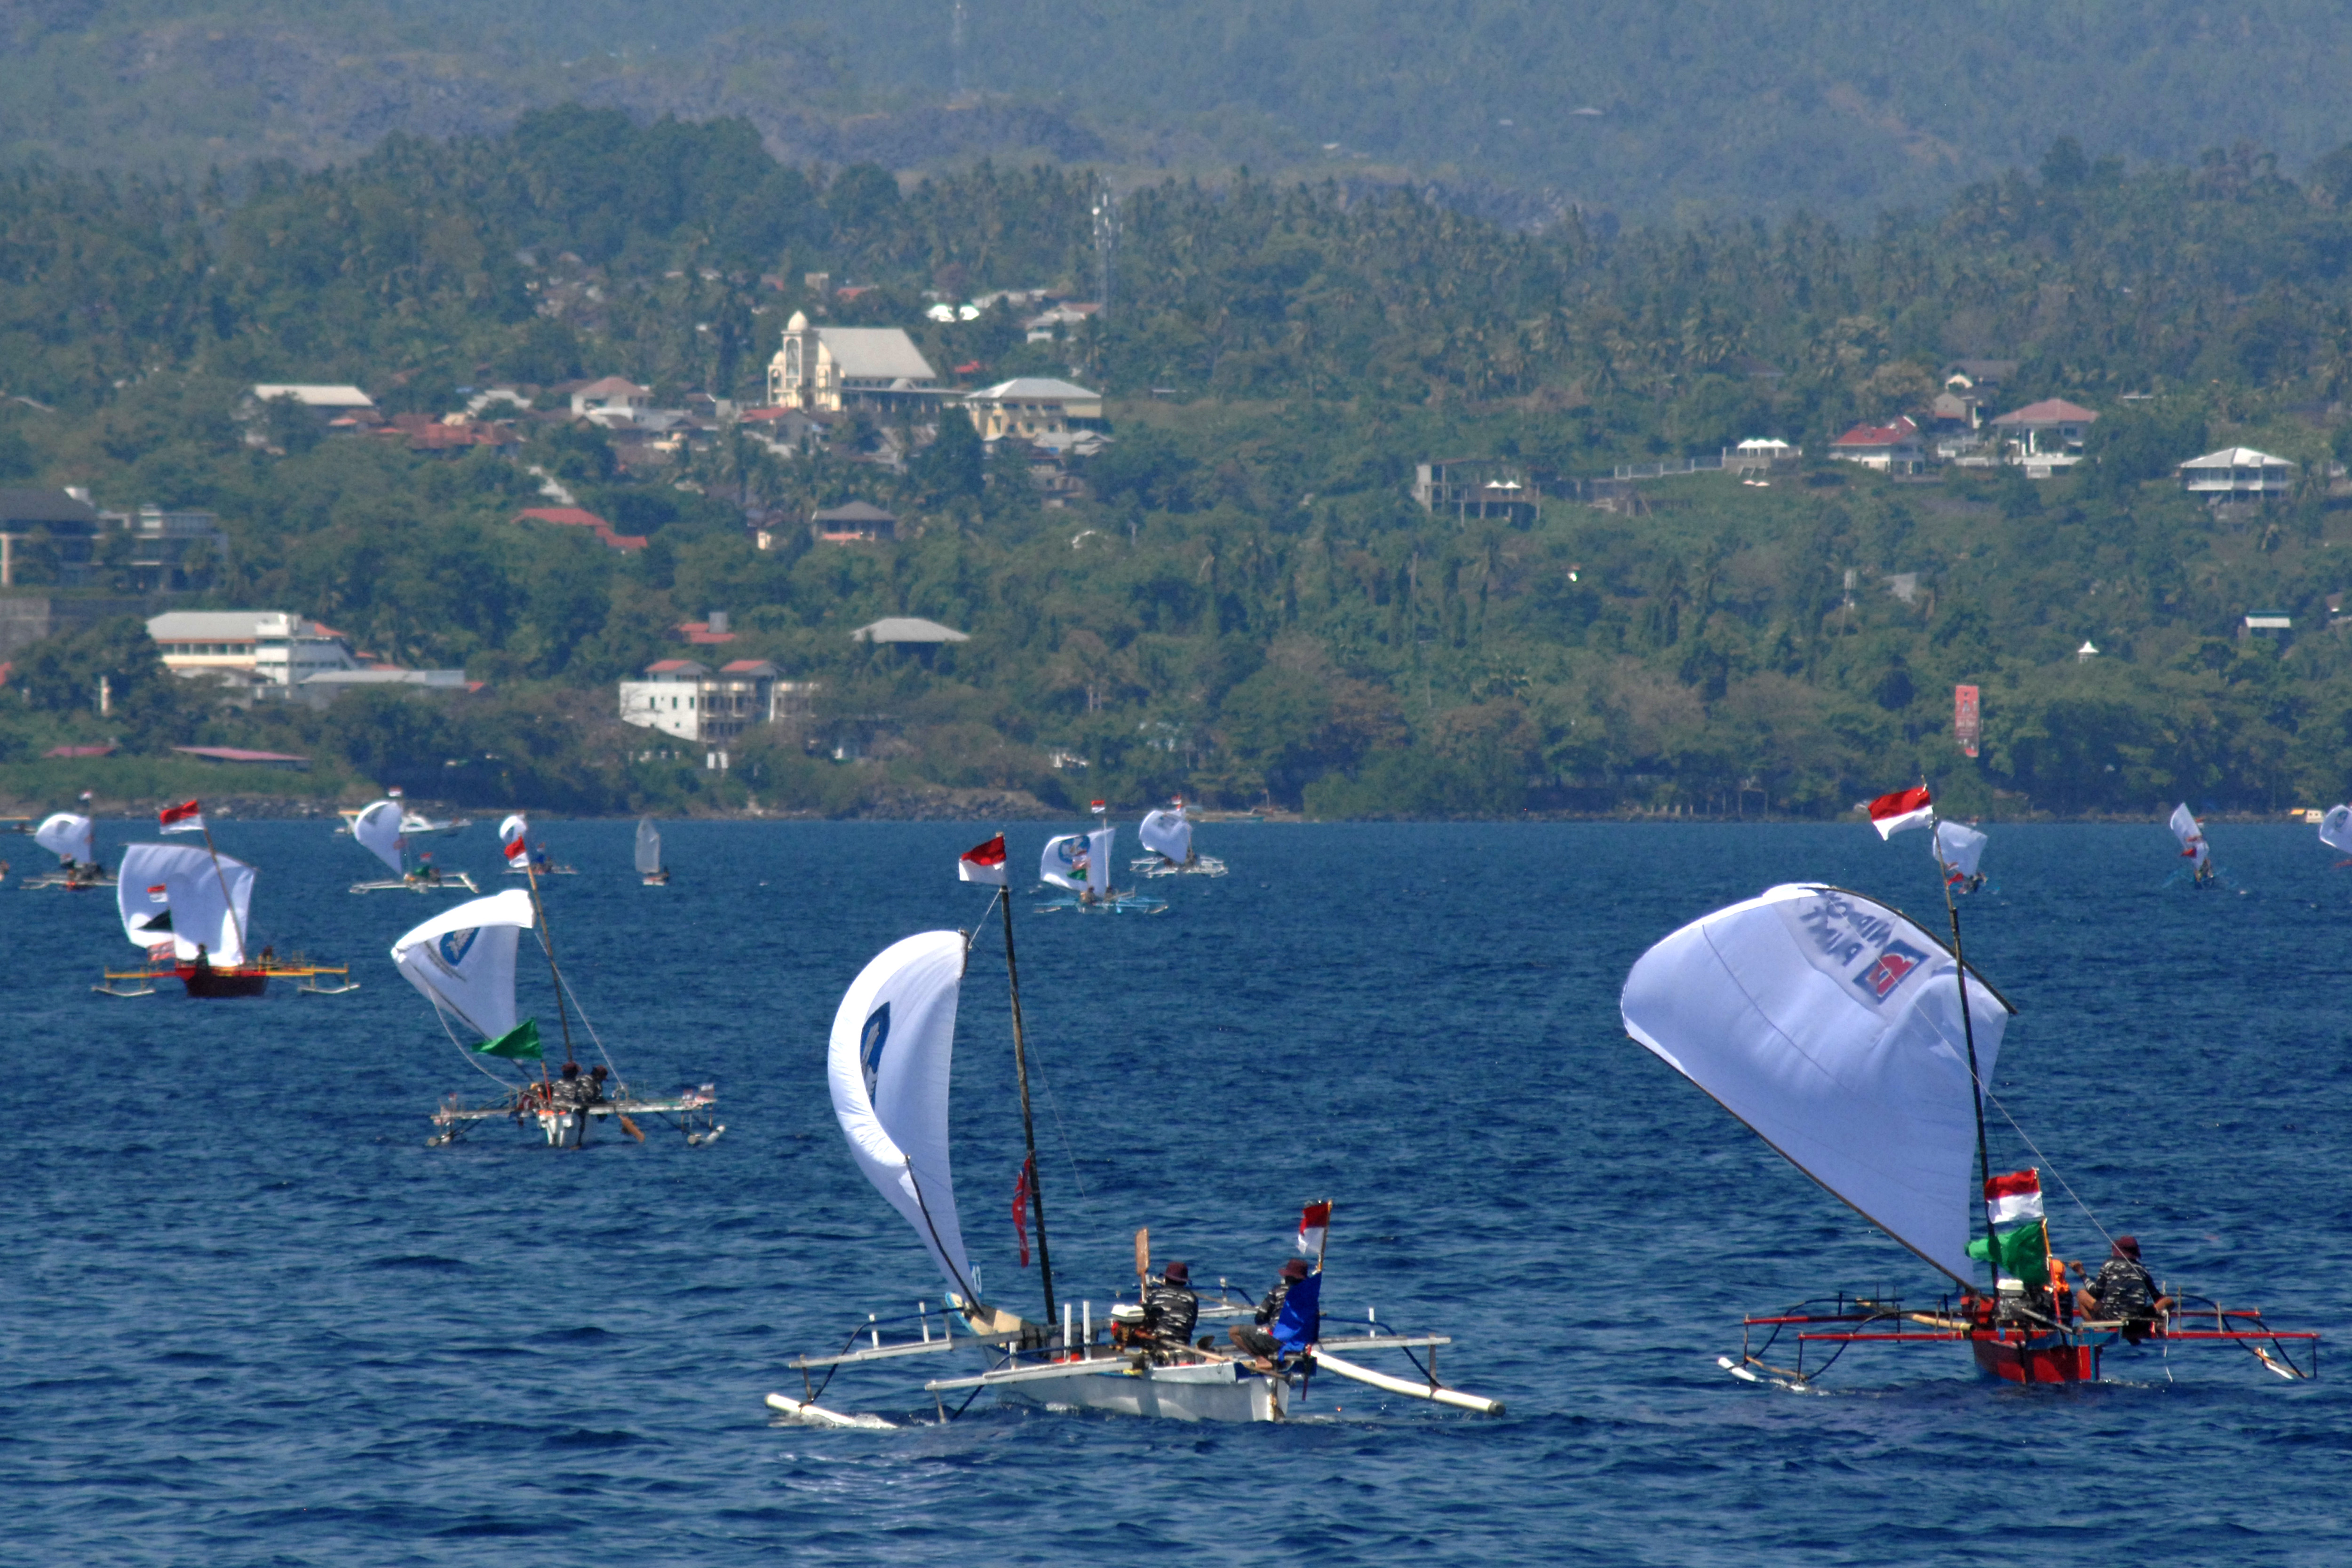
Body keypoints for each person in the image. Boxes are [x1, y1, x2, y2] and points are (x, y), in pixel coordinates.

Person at [2074, 1235, 2171, 1343]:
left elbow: (2097, 1293)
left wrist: (2082, 1274)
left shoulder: (2109, 1265)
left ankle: (2097, 1333)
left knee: (2081, 1294)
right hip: (2137, 1321)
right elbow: (2156, 1297)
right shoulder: (2142, 1270)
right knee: (2167, 1301)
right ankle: (2132, 1334)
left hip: (2111, 1318)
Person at [1228, 1258, 1310, 1370]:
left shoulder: (1278, 1290)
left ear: (1287, 1277)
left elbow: (1260, 1318)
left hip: (1278, 1338)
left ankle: (1261, 1360)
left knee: (1234, 1332)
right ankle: (1282, 1360)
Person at [1143, 1259, 1199, 1353]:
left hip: (1156, 1345)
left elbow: (1142, 1316)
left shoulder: (1155, 1294)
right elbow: (1192, 1324)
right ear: (1184, 1282)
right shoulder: (1192, 1298)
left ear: (1166, 1279)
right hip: (1182, 1346)